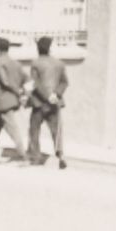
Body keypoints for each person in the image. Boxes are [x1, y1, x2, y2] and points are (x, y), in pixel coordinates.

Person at [26, 35, 69, 169]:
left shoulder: (36, 63)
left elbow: (35, 83)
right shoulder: (60, 64)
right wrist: (56, 94)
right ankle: (60, 155)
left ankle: (36, 156)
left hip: (39, 102)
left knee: (34, 129)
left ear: (39, 48)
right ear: (49, 48)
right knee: (56, 131)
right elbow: (65, 82)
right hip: (54, 103)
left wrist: (47, 96)